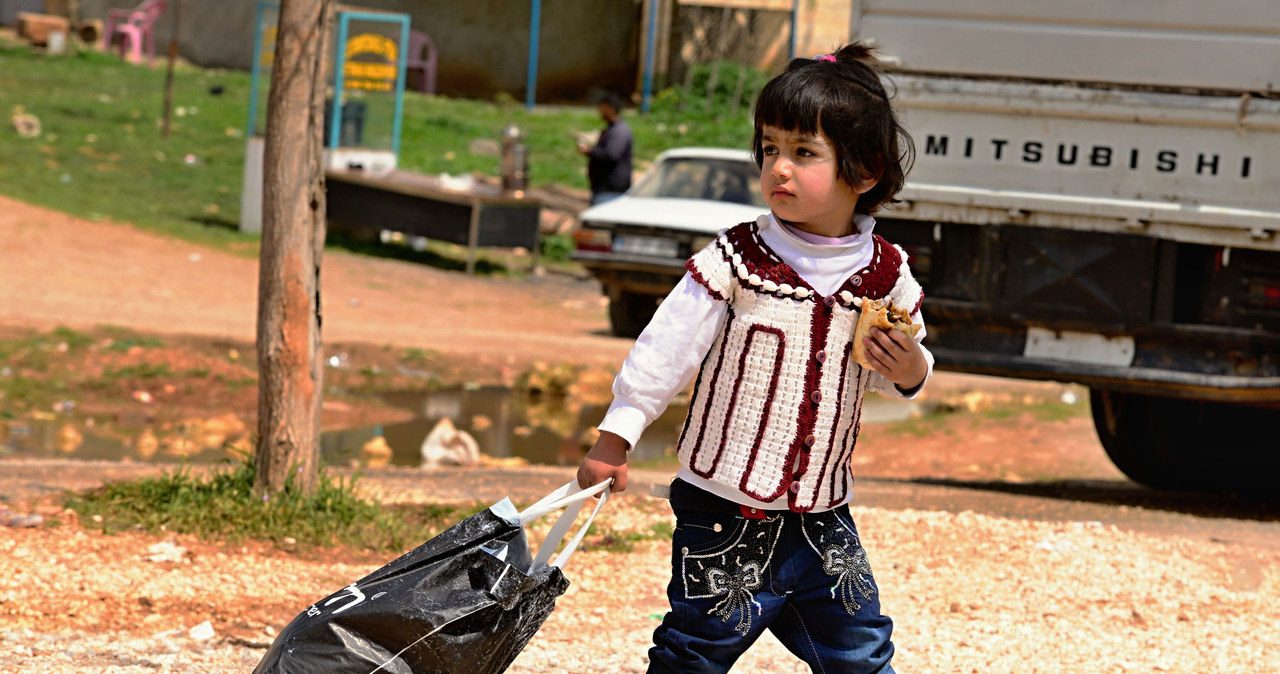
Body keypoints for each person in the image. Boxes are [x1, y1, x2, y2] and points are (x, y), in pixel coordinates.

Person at [577, 43, 927, 673]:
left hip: (824, 515)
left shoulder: (888, 275)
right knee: (696, 653)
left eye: (803, 152)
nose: (779, 169)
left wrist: (908, 369)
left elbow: (904, 367)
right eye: (769, 148)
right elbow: (666, 348)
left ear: (866, 170)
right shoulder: (736, 259)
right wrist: (616, 436)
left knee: (862, 654)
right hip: (723, 508)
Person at [578, 92, 634, 205]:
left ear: (611, 109)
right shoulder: (611, 130)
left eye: (602, 108)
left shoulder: (619, 131)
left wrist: (589, 151)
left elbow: (611, 154)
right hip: (603, 189)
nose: (600, 112)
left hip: (611, 191)